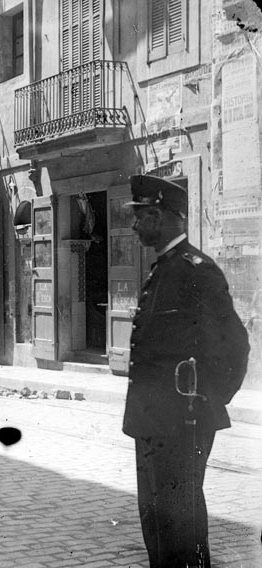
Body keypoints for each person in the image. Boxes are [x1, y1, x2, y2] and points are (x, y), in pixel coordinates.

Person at [123, 174, 249, 568]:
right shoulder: (162, 269)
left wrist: (203, 400)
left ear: (160, 216)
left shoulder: (198, 271)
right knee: (155, 520)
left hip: (182, 422)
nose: (134, 224)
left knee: (181, 525)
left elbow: (235, 345)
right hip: (149, 420)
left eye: (140, 216)